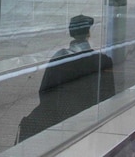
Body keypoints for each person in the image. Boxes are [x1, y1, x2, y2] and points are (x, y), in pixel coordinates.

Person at [18, 14, 115, 142]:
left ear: (71, 34)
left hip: (61, 120)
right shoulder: (103, 61)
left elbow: (45, 93)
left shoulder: (59, 58)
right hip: (91, 124)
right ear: (89, 34)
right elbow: (109, 98)